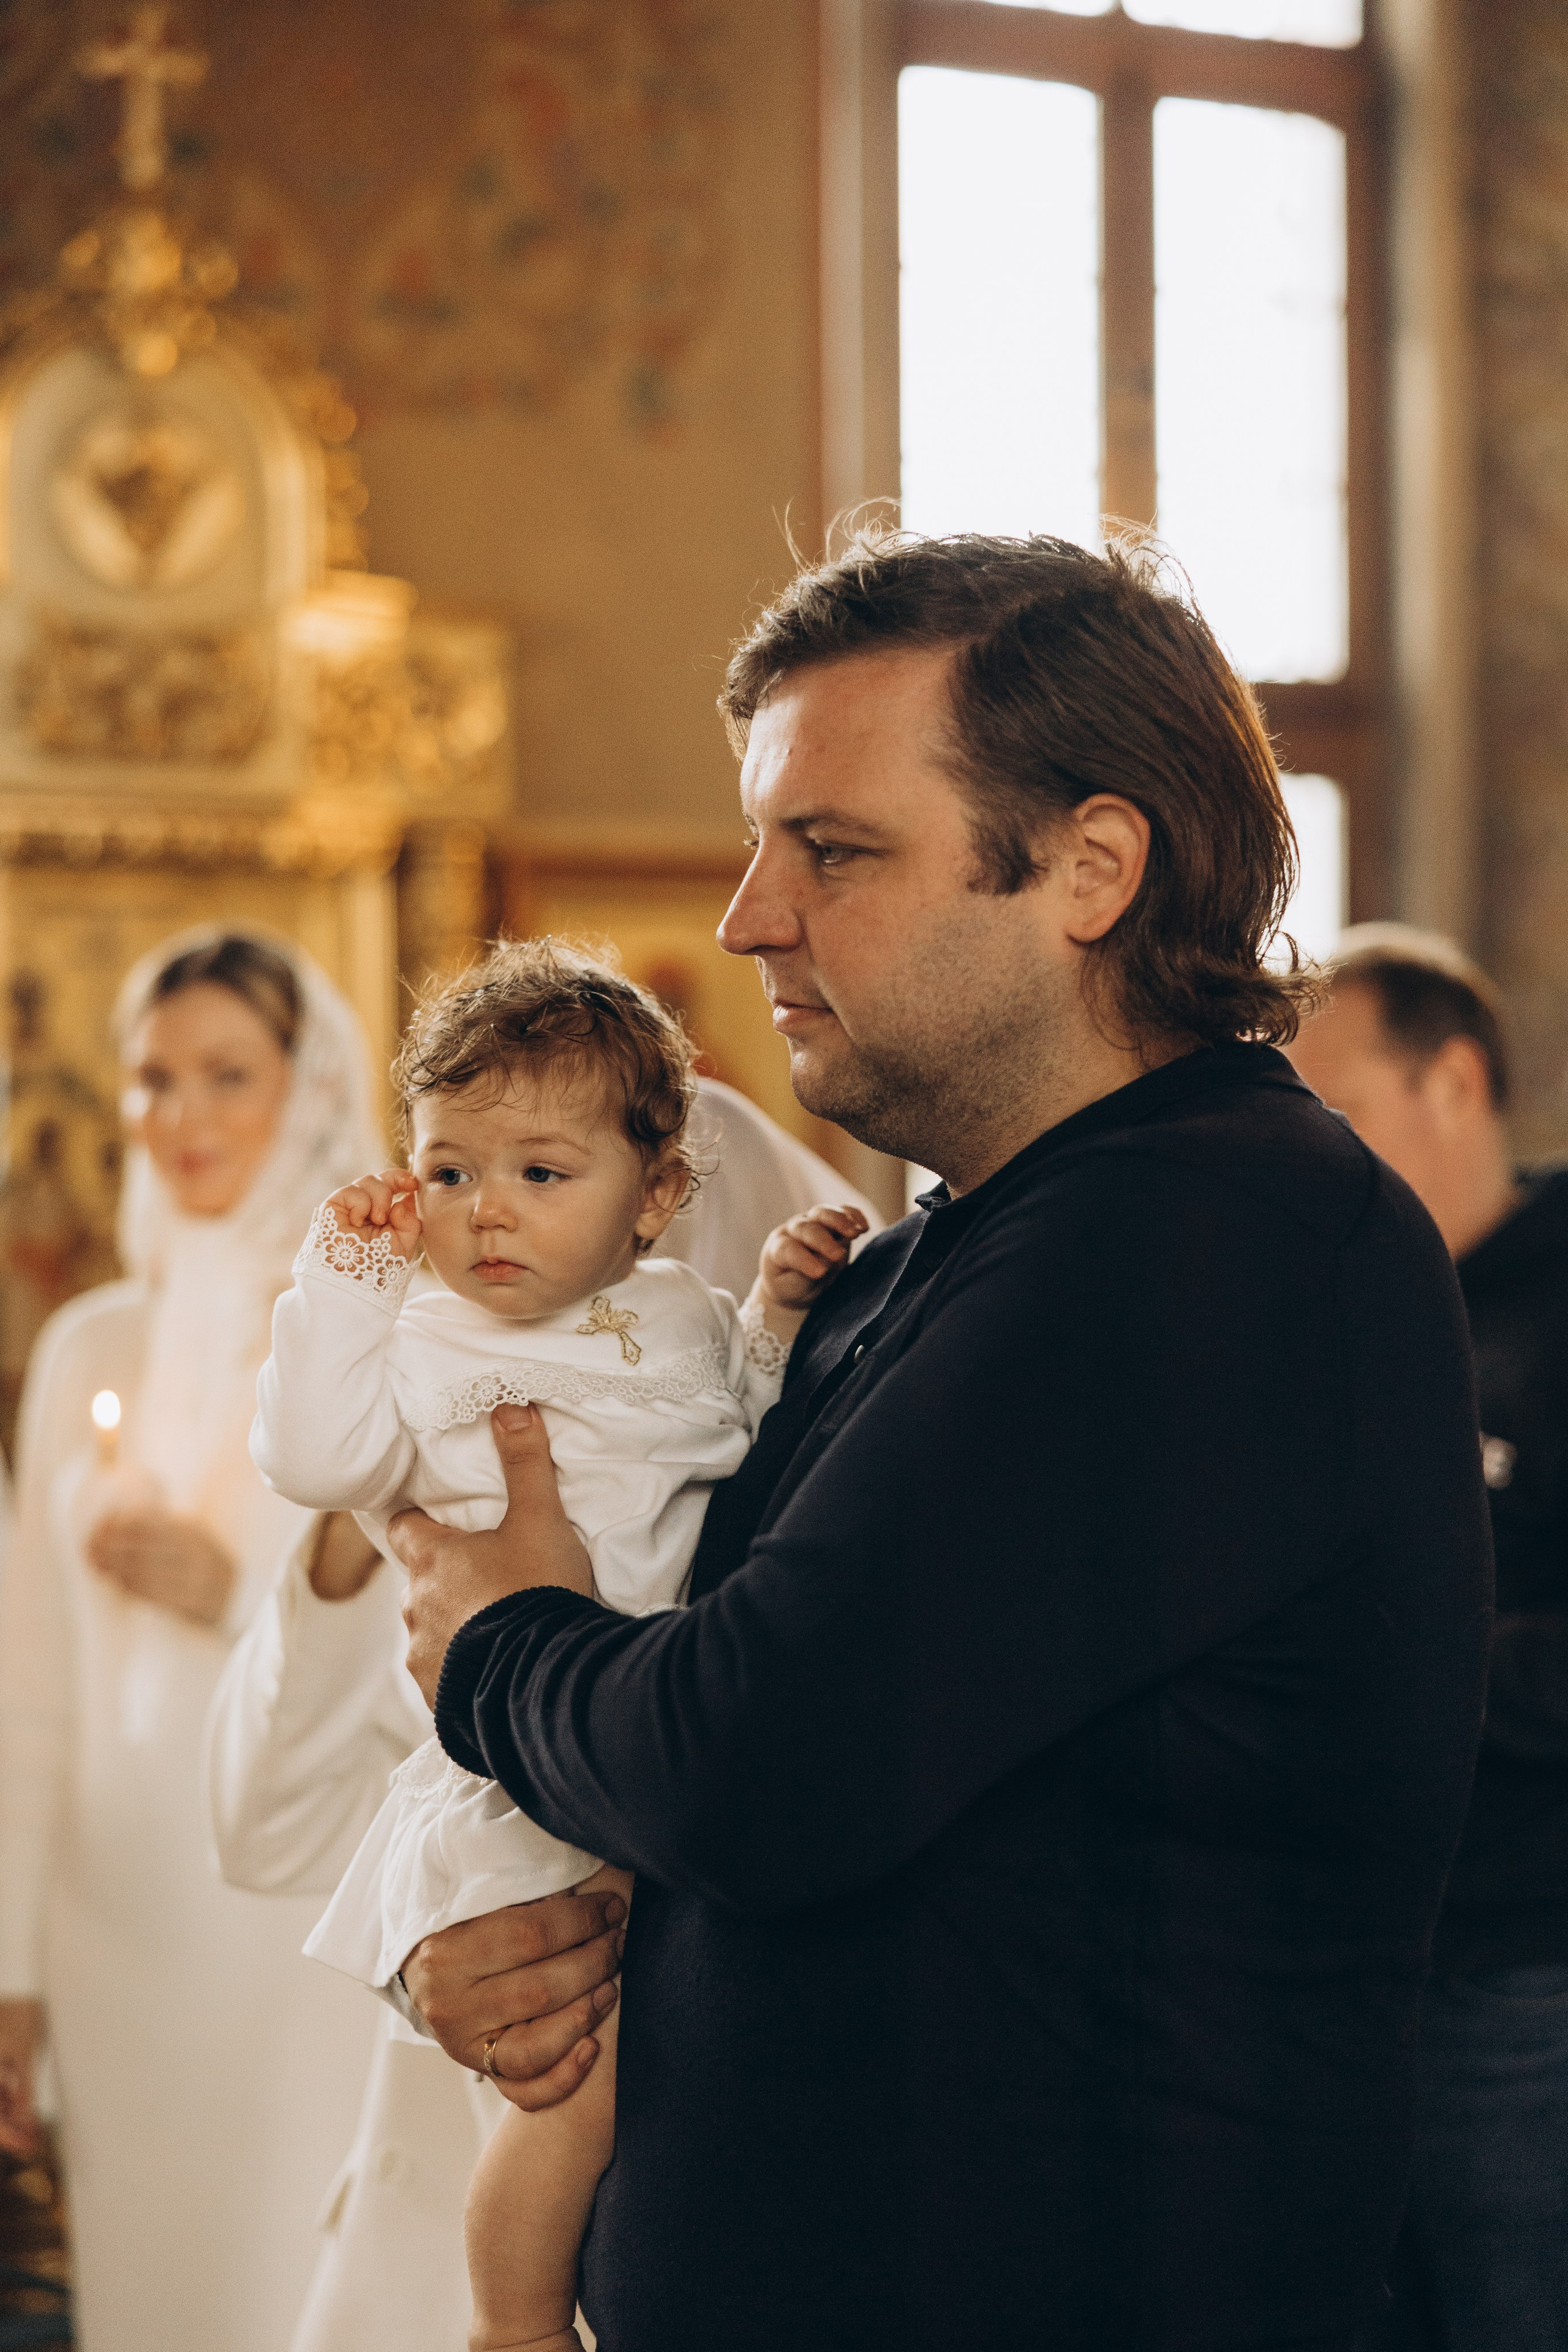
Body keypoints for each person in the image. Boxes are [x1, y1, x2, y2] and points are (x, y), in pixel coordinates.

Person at [388, 532, 1496, 2351]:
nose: (750, 914)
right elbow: (729, 1745)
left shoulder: (1210, 1241)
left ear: (1089, 866)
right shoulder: (936, 1254)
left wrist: (498, 1648)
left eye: (831, 849)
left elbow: (763, 1754)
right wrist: (522, 1942)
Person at [251, 938, 862, 2352]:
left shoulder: (676, 1318)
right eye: (449, 1172)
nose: (487, 1216)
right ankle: (510, 2325)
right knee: (568, 2084)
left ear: (655, 1197)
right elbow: (316, 1457)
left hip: (654, 1753)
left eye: (541, 1173)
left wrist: (774, 1312)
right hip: (513, 1781)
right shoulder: (416, 1338)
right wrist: (341, 1281)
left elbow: (749, 1448)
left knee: (659, 2080)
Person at [0, 927, 384, 2352]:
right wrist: (16, 1968)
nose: (181, 1118)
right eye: (152, 1080)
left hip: (296, 1925)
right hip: (115, 1931)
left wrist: (237, 1593)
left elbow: (424, 1639)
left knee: (297, 2284)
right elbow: (32, 1692)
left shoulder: (374, 1338)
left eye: (228, 1075)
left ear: (311, 1085)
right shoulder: (89, 1351)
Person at [1288, 924, 1568, 2352]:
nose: (1305, 1155)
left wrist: (1388, 1673)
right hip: (1334, 1964)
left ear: (1451, 1082)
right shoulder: (1327, 1308)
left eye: (1331, 1111)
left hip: (1520, 1967)